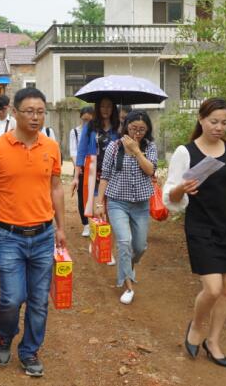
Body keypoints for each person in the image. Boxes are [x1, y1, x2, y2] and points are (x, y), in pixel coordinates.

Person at [0, 87, 66, 378]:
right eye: (29, 111)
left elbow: (56, 187)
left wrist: (60, 227)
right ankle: (6, 335)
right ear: (15, 112)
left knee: (38, 300)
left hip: (43, 235)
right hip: (9, 236)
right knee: (11, 297)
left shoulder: (51, 147)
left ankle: (30, 350)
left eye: (40, 111)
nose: (35, 117)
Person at [162, 97, 226, 368]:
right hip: (200, 226)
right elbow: (169, 195)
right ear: (201, 119)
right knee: (213, 288)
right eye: (214, 121)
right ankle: (196, 326)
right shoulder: (186, 152)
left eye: (224, 122)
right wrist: (183, 189)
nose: (219, 127)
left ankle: (213, 341)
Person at [94, 110, 157, 305]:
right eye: (133, 128)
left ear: (147, 130)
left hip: (140, 204)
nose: (137, 133)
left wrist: (137, 151)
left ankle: (128, 267)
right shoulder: (114, 147)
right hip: (117, 202)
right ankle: (128, 286)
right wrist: (99, 203)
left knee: (139, 246)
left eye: (141, 129)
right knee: (124, 241)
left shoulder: (149, 146)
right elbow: (104, 176)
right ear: (125, 126)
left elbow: (150, 170)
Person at [72, 97, 119, 237]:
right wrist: (76, 176)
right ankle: (98, 237)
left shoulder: (118, 126)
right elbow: (81, 151)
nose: (106, 110)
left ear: (113, 108)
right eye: (102, 106)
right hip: (94, 171)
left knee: (110, 203)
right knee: (95, 202)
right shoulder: (91, 126)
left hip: (113, 171)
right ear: (97, 108)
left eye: (109, 106)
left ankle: (107, 234)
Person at [68, 106, 94, 236]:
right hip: (81, 168)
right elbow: (73, 151)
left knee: (95, 195)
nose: (86, 123)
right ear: (80, 118)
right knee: (82, 196)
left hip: (95, 168)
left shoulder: (96, 132)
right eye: (84, 120)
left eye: (89, 120)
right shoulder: (75, 132)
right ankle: (86, 225)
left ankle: (97, 222)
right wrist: (78, 167)